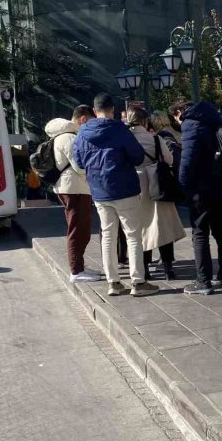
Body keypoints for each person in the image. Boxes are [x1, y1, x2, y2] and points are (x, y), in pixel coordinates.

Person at [73, 93, 158, 297]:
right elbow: (137, 157)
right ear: (112, 109)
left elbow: (79, 162)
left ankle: (114, 283)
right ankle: (138, 282)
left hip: (99, 191)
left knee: (108, 235)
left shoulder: (83, 132)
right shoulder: (120, 129)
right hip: (124, 188)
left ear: (94, 111)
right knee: (132, 235)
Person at [176, 100, 222, 295]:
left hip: (200, 187)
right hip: (220, 184)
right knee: (221, 230)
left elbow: (187, 160)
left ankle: (203, 281)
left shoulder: (190, 124)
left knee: (200, 232)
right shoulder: (218, 121)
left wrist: (184, 187)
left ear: (180, 111)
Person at [126, 107, 186, 281]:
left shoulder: (127, 140)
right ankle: (168, 269)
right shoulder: (156, 139)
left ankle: (144, 269)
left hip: (135, 186)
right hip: (157, 183)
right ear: (145, 121)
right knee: (162, 227)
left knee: (141, 228)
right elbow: (169, 160)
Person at [46, 114, 99, 283]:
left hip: (68, 187)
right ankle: (76, 270)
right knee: (78, 229)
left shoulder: (57, 138)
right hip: (75, 188)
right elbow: (79, 166)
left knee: (78, 227)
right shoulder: (69, 137)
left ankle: (79, 266)